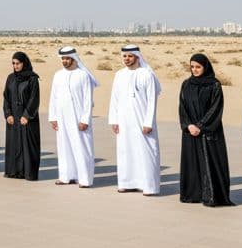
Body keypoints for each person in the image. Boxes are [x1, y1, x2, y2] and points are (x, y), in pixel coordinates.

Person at [178, 53, 233, 207]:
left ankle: (212, 195)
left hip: (209, 131)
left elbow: (216, 108)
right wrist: (188, 125)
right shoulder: (186, 84)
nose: (194, 70)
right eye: (192, 67)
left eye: (198, 67)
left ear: (205, 67)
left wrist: (200, 126)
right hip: (190, 132)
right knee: (192, 162)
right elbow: (182, 107)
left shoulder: (214, 85)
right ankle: (193, 194)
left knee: (211, 162)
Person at [108, 45, 162, 194]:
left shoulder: (147, 74)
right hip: (124, 121)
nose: (127, 59)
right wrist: (114, 120)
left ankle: (149, 186)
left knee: (146, 151)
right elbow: (115, 98)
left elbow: (152, 100)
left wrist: (148, 122)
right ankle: (127, 182)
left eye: (130, 56)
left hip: (142, 121)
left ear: (137, 57)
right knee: (126, 151)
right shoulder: (119, 74)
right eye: (124, 56)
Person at [49, 46, 97, 187]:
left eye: (67, 58)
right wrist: (53, 117)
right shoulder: (58, 75)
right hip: (62, 117)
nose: (64, 61)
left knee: (81, 147)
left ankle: (84, 179)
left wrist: (85, 119)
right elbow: (53, 97)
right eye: (63, 58)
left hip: (78, 118)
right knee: (64, 147)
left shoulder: (83, 75)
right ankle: (66, 176)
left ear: (74, 58)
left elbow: (88, 100)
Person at [3, 51, 41, 180]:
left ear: (24, 63)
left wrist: (27, 115)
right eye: (13, 63)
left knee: (27, 145)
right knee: (14, 144)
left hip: (27, 119)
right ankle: (14, 171)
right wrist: (8, 114)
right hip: (13, 118)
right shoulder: (10, 78)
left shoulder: (32, 78)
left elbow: (34, 98)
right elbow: (6, 97)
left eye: (18, 63)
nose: (15, 66)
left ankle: (27, 173)